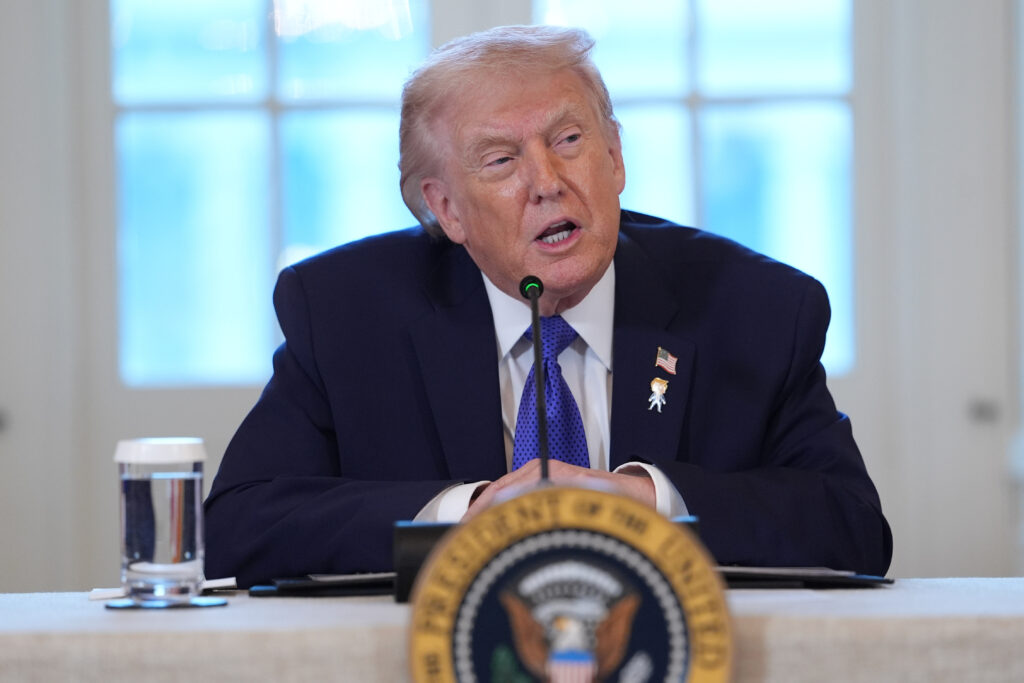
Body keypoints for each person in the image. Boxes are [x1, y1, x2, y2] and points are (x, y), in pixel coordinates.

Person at [204, 25, 892, 588]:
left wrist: (645, 503)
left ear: (616, 157)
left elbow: (853, 525)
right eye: (500, 160)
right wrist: (469, 514)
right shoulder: (346, 312)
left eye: (568, 141)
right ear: (445, 208)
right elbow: (239, 525)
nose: (548, 183)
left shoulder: (758, 309)